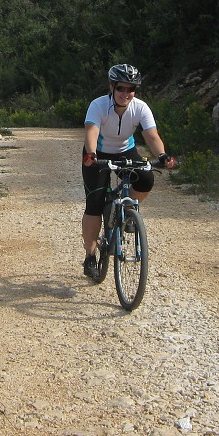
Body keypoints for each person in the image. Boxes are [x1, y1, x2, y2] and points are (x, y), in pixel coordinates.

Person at [80, 63, 176, 279]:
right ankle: (90, 256)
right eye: (121, 88)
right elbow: (91, 131)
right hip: (99, 154)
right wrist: (92, 154)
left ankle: (128, 212)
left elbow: (151, 135)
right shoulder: (98, 105)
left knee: (146, 179)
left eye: (131, 89)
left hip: (126, 150)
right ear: (112, 87)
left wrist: (162, 156)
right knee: (94, 203)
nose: (126, 93)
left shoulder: (140, 107)